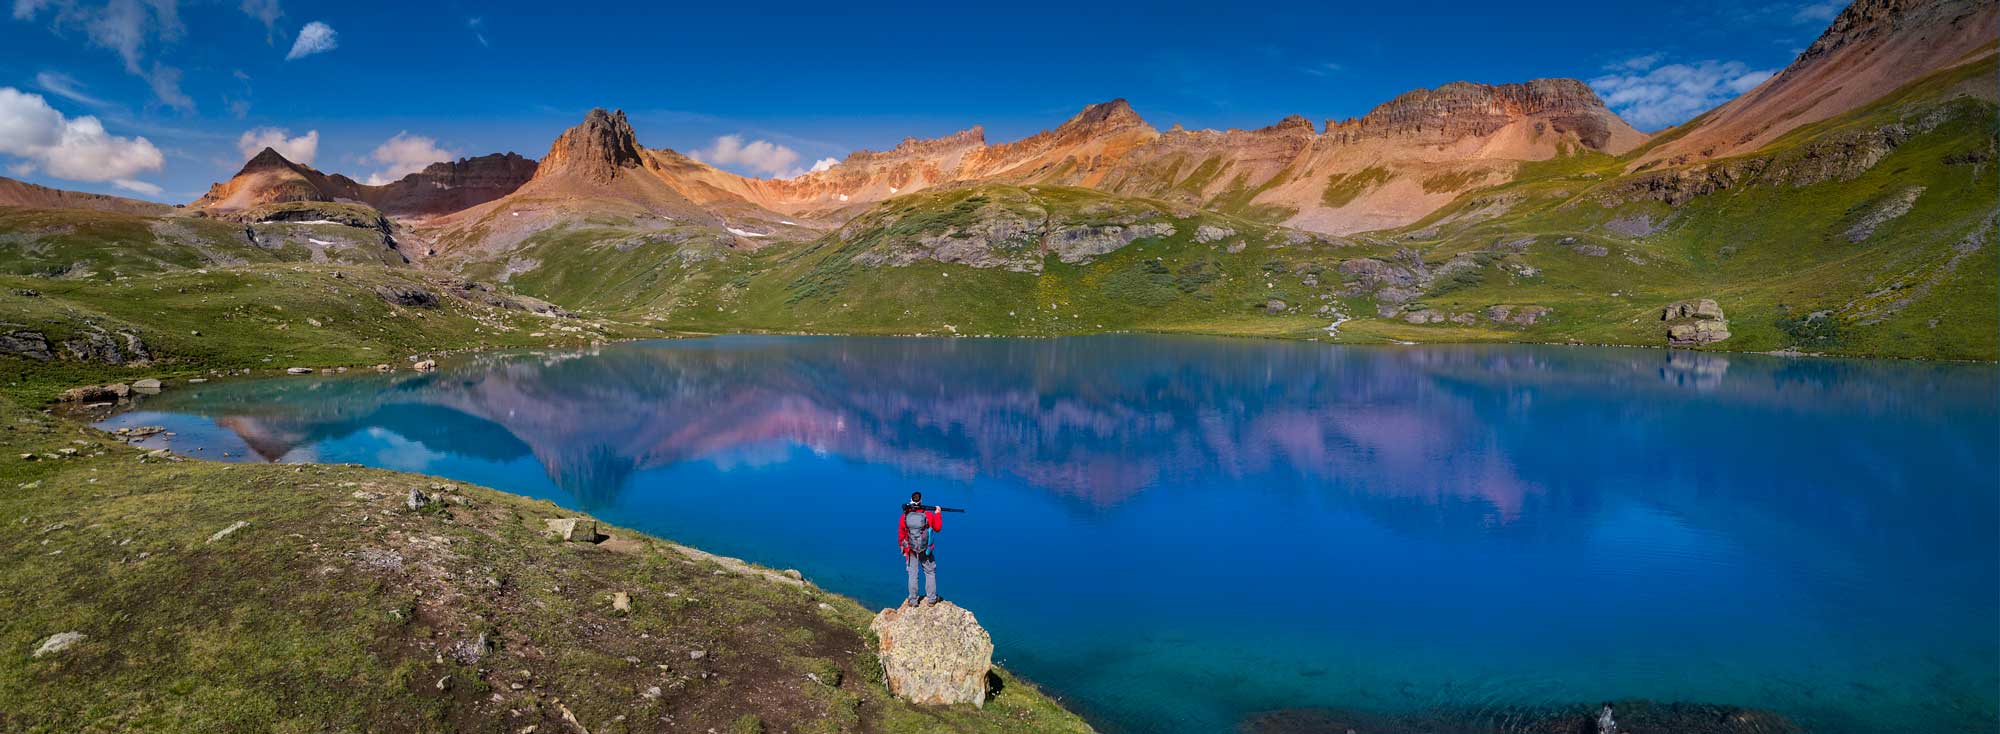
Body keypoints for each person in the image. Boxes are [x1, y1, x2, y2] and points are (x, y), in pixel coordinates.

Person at [899, 491, 942, 607]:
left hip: (911, 549)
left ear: (911, 500)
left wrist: (903, 549)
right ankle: (932, 599)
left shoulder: (905, 516)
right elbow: (937, 528)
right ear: (921, 501)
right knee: (930, 572)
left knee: (912, 574)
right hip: (925, 549)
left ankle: (913, 600)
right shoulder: (928, 515)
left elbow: (901, 534)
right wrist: (938, 513)